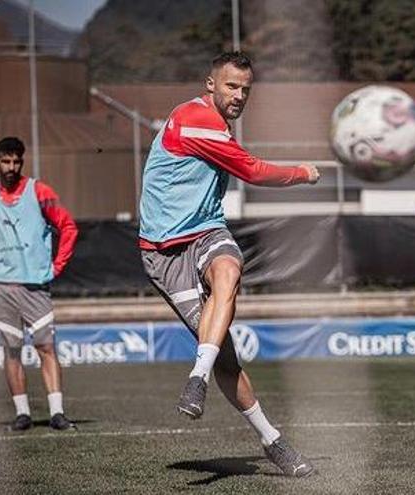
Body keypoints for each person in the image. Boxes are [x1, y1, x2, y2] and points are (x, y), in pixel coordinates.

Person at [138, 51, 319, 477]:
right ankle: (271, 438)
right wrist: (302, 173)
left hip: (205, 232)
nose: (239, 96)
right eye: (231, 86)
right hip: (164, 254)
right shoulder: (197, 119)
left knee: (229, 270)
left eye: (246, 90)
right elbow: (253, 172)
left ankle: (196, 377)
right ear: (210, 85)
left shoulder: (216, 125)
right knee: (227, 359)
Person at [0, 137, 79, 431]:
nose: (11, 167)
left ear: (21, 162)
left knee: (46, 346)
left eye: (16, 162)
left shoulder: (40, 192)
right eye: (5, 161)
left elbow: (68, 226)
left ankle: (57, 413)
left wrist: (57, 264)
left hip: (35, 285)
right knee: (11, 350)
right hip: (2, 287)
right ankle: (22, 413)